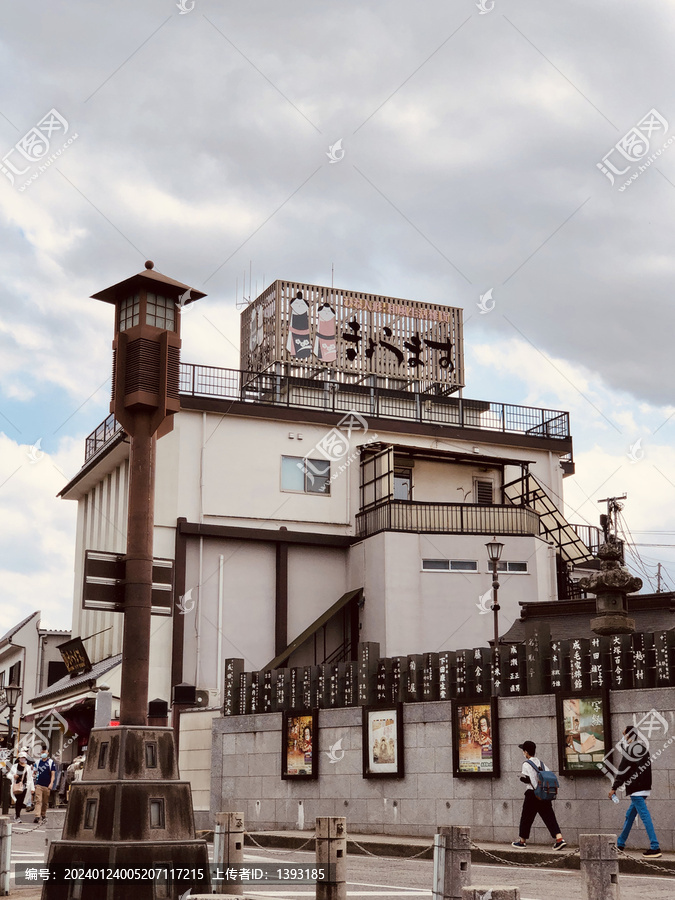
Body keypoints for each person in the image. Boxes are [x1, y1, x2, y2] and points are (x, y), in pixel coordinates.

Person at [608, 725, 661, 858]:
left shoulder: (630, 750)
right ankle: (620, 844)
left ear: (628, 735)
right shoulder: (643, 748)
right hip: (644, 787)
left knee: (644, 815)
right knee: (630, 815)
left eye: (623, 734)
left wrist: (614, 788)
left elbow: (622, 771)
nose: (623, 737)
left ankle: (655, 847)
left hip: (636, 789)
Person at [512, 740, 566, 850]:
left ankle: (522, 841)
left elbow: (527, 779)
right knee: (549, 816)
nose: (523, 753)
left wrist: (521, 778)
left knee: (526, 818)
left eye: (523, 751)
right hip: (543, 794)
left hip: (532, 794)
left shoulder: (526, 764)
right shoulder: (541, 763)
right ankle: (559, 838)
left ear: (526, 752)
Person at [7, 752, 35, 824]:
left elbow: (30, 778)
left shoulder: (28, 767)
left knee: (21, 801)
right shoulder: (15, 766)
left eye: (24, 758)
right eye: (21, 757)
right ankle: (17, 816)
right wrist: (13, 776)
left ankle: (17, 815)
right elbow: (9, 775)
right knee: (18, 801)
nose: (22, 759)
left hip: (25, 786)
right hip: (16, 786)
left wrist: (32, 788)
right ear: (19, 758)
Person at [33, 747, 56, 825]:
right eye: (42, 752)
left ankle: (43, 814)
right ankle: (37, 816)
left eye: (45, 752)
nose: (43, 754)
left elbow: (53, 774)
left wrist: (51, 783)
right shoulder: (37, 762)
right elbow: (34, 772)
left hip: (47, 785)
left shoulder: (51, 762)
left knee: (45, 801)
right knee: (38, 800)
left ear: (48, 753)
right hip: (38, 784)